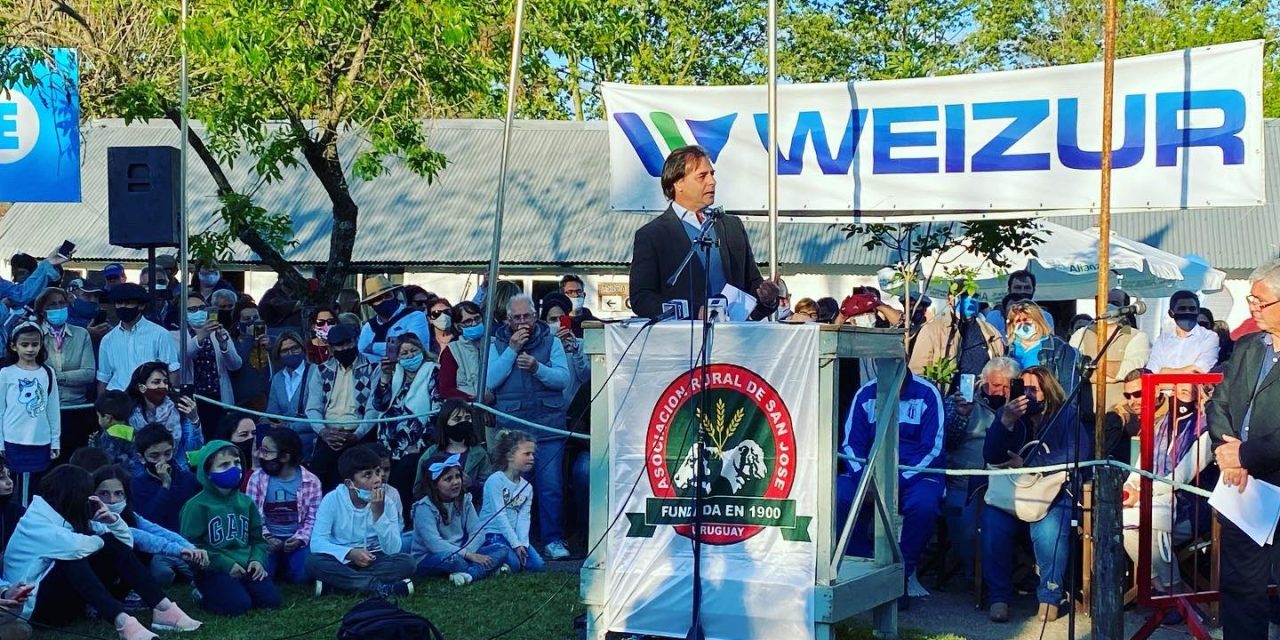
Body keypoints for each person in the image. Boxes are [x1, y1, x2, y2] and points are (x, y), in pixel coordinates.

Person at [7, 465, 201, 638]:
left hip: (63, 597)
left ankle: (163, 608)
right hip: (34, 609)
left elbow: (125, 544)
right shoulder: (36, 524)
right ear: (73, 496)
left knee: (103, 544)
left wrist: (113, 521)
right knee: (72, 557)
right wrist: (104, 539)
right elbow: (77, 547)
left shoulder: (65, 515)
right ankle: (122, 621)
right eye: (90, 495)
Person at [1205, 259, 1280, 639]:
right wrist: (1228, 453)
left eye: (1259, 301)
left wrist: (1245, 456)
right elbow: (1217, 402)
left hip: (1273, 479)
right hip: (1243, 489)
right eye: (1251, 298)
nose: (1252, 306)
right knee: (1240, 590)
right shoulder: (1249, 345)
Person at [982, 365, 1090, 623]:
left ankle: (1050, 596)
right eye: (1023, 389)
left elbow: (1078, 452)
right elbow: (991, 455)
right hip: (1011, 493)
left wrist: (1031, 462)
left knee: (1049, 529)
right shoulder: (1008, 415)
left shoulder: (1067, 415)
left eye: (1034, 390)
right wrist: (1005, 422)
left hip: (1053, 491)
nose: (1028, 395)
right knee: (992, 524)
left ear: (1048, 392)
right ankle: (998, 596)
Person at [628, 145, 780, 320]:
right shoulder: (653, 235)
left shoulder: (731, 226)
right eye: (702, 176)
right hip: (683, 340)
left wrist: (766, 299)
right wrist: (695, 312)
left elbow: (752, 283)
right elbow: (642, 298)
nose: (712, 181)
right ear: (678, 183)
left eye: (712, 174)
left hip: (734, 338)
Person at [838, 371, 945, 601]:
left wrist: (896, 482)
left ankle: (900, 576)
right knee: (838, 495)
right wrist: (865, 480)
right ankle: (863, 569)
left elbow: (932, 449)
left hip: (917, 474)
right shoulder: (865, 393)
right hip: (870, 473)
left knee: (924, 505)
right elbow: (850, 445)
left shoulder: (928, 394)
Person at [486, 294, 571, 560]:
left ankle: (553, 540)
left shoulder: (552, 341)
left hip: (549, 426)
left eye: (527, 316)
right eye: (517, 317)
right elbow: (489, 381)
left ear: (535, 316)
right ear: (508, 320)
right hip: (513, 429)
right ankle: (517, 541)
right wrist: (511, 351)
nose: (523, 322)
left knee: (550, 487)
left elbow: (563, 379)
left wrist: (537, 368)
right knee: (513, 486)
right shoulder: (496, 344)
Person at [1122, 383, 1213, 599]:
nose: (1182, 388)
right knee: (1130, 523)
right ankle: (1165, 589)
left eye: (1189, 385)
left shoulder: (1207, 429)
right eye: (1178, 384)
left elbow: (1180, 478)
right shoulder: (1161, 424)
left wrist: (1141, 494)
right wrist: (1130, 486)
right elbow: (1139, 466)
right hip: (1152, 500)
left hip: (1191, 507)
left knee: (1146, 524)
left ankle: (1172, 593)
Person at [940, 356, 1022, 579]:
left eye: (1007, 386)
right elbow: (947, 442)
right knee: (967, 528)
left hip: (1006, 482)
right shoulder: (960, 402)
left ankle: (1002, 578)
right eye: (996, 385)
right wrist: (961, 416)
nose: (1001, 392)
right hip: (964, 482)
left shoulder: (1019, 407)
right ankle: (978, 578)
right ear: (982, 381)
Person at [180, 439, 281, 616]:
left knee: (270, 601)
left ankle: (240, 587)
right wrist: (226, 564)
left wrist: (257, 560)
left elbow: (258, 539)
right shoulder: (196, 506)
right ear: (207, 471)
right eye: (224, 464)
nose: (233, 468)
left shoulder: (245, 502)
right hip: (213, 568)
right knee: (237, 606)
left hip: (246, 564)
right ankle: (201, 592)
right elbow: (190, 546)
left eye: (236, 463)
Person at [306, 445, 415, 596]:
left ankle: (338, 587)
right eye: (367, 475)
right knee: (313, 561)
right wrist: (350, 553)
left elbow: (393, 549)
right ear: (349, 483)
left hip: (375, 559)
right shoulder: (332, 500)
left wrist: (378, 515)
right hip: (342, 560)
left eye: (378, 472)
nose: (377, 479)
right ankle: (379, 587)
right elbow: (317, 543)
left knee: (407, 563)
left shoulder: (387, 502)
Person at [91, 465, 210, 587]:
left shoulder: (130, 515)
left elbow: (158, 531)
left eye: (118, 493)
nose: (112, 500)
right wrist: (180, 550)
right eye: (104, 493)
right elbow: (141, 537)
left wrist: (190, 548)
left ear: (126, 495)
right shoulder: (90, 520)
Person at [410, 452, 506, 584]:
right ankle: (483, 569)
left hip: (462, 551)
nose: (455, 482)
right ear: (434, 485)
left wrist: (469, 552)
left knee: (501, 549)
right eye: (448, 479)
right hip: (433, 556)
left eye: (457, 476)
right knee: (452, 560)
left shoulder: (464, 500)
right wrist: (469, 555)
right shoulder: (424, 507)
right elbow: (435, 544)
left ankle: (469, 574)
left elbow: (477, 532)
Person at [370, 334, 437, 519]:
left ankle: (404, 520)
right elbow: (379, 405)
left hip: (415, 444)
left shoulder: (433, 371)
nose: (409, 356)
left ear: (422, 351)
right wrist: (385, 376)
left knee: (402, 475)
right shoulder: (395, 374)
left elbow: (436, 413)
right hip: (387, 443)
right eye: (404, 353)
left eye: (413, 351)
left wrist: (420, 445)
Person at [306, 324, 379, 489]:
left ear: (356, 341)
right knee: (318, 482)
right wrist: (323, 432)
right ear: (331, 348)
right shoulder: (321, 370)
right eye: (339, 345)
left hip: (360, 435)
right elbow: (313, 408)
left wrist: (358, 435)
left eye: (349, 343)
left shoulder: (373, 367)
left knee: (360, 482)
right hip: (328, 435)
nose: (345, 348)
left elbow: (374, 408)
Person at [246, 427, 320, 584]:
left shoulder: (312, 481)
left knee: (304, 575)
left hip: (297, 539)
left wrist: (299, 539)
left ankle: (286, 566)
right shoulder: (256, 479)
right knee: (258, 574)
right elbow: (252, 516)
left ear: (285, 457)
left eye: (266, 451)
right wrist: (267, 537)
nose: (260, 455)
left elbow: (313, 518)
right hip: (266, 540)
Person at [129, 424, 201, 586]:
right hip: (159, 548)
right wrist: (165, 486)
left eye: (167, 454)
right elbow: (147, 519)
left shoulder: (188, 479)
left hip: (188, 542)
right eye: (154, 456)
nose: (162, 461)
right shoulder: (136, 485)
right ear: (142, 458)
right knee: (162, 574)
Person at [0, 322, 59, 505]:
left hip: (40, 440)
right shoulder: (5, 373)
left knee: (36, 489)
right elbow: (0, 411)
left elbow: (53, 409)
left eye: (35, 344)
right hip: (12, 440)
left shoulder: (47, 373)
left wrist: (54, 440)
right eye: (24, 345)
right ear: (13, 345)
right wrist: (0, 442)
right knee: (13, 491)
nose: (30, 349)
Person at [35, 288, 95, 462]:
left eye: (62, 303)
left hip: (75, 410)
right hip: (43, 412)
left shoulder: (81, 334)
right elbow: (33, 376)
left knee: (73, 462)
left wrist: (54, 376)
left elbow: (88, 374)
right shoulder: (33, 334)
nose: (58, 307)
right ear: (42, 310)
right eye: (52, 304)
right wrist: (68, 377)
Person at [908, 284, 1006, 388]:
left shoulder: (990, 331)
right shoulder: (933, 330)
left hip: (982, 400)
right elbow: (918, 373)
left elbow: (1001, 367)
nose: (970, 299)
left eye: (974, 295)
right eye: (964, 295)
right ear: (950, 299)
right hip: (948, 399)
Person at [1071, 289, 1152, 410]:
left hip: (1121, 416)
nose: (1109, 307)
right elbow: (1072, 370)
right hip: (1083, 414)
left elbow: (1129, 372)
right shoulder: (1081, 334)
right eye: (1104, 302)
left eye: (1115, 302)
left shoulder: (1138, 336)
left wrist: (1089, 369)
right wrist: (1113, 377)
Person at [176, 293, 242, 435]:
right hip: (194, 400)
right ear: (183, 313)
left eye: (202, 308)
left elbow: (235, 365)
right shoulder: (175, 335)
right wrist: (201, 336)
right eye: (192, 309)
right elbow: (183, 356)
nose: (198, 312)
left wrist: (224, 345)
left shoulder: (218, 332)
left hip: (219, 398)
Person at [479, 430, 543, 573]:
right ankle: (494, 559)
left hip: (512, 535)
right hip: (493, 533)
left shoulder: (527, 487)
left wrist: (522, 545)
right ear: (510, 456)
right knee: (515, 563)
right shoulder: (496, 480)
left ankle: (503, 565)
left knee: (536, 564)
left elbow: (524, 518)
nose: (532, 458)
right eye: (527, 454)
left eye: (533, 454)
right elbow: (499, 516)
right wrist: (515, 544)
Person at [97, 285, 179, 394]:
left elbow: (172, 370)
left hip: (149, 397)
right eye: (119, 303)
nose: (123, 307)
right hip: (117, 399)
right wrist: (102, 406)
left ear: (141, 306)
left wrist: (166, 401)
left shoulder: (160, 334)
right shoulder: (108, 339)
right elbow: (103, 377)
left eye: (129, 303)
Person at [125, 362, 203, 471]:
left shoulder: (179, 411)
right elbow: (129, 454)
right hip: (142, 474)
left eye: (165, 382)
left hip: (178, 470)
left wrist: (194, 420)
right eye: (156, 382)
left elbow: (194, 449)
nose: (162, 386)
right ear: (142, 387)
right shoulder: (130, 415)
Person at [417, 400, 491, 508]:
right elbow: (418, 489)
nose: (463, 422)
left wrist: (472, 484)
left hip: (471, 510)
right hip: (437, 512)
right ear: (445, 422)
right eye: (457, 419)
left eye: (467, 418)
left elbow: (490, 488)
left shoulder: (480, 454)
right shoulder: (430, 454)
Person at [1005, 301, 1080, 392]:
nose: (1022, 324)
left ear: (1038, 320)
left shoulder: (1059, 347)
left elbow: (1069, 387)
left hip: (1048, 403)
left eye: (1026, 319)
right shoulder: (1008, 349)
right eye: (1018, 321)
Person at [266, 331, 316, 459]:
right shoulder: (277, 379)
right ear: (279, 354)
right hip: (283, 439)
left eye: (295, 348)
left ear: (302, 349)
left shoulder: (316, 372)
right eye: (285, 350)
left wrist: (289, 426)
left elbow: (321, 416)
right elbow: (272, 412)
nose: (290, 353)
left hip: (310, 438)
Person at [356, 275, 430, 361]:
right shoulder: (368, 327)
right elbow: (362, 356)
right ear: (371, 304)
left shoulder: (415, 316)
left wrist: (372, 347)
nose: (384, 300)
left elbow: (414, 347)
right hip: (378, 373)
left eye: (388, 296)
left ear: (395, 295)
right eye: (378, 299)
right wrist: (396, 346)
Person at [1147, 290, 1220, 376]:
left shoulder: (1209, 337)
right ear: (1171, 313)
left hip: (1191, 389)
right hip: (1162, 389)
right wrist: (1185, 370)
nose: (1188, 312)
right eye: (1182, 309)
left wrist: (1164, 371)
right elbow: (1151, 372)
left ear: (1198, 311)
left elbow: (1199, 371)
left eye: (1192, 309)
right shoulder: (1162, 340)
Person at [438, 301, 488, 406]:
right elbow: (446, 389)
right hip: (466, 408)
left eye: (477, 318)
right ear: (458, 326)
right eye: (468, 321)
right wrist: (471, 399)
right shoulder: (452, 350)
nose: (474, 323)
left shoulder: (493, 343)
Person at [1101, 368, 1150, 462]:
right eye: (1128, 396)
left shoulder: (1170, 409)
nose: (1132, 401)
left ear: (1156, 390)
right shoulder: (1121, 410)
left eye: (1138, 394)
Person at [229, 302, 271, 411]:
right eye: (247, 319)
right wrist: (249, 338)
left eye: (256, 317)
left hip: (269, 402)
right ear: (238, 323)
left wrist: (270, 347)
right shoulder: (232, 344)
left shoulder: (271, 341)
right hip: (243, 404)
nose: (252, 321)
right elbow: (237, 363)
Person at [984, 269, 1054, 333]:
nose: (1022, 291)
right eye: (1018, 287)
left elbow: (1050, 344)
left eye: (1027, 288)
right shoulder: (995, 316)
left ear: (1034, 290)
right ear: (1009, 290)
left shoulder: (1045, 317)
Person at [91, 391, 140, 474]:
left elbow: (106, 460)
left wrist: (95, 446)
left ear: (107, 418)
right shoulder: (134, 432)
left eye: (98, 416)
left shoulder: (108, 436)